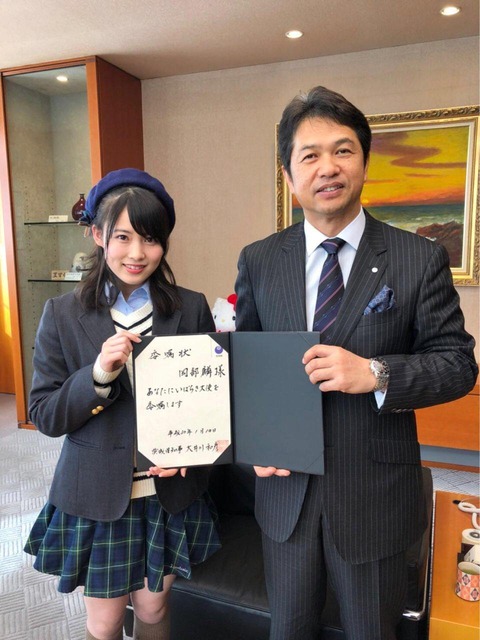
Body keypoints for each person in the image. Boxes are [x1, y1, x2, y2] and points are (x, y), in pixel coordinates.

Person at [234, 86, 478, 640]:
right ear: (289, 175)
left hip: (375, 498)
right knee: (289, 630)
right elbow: (246, 367)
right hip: (286, 498)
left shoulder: (418, 257)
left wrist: (375, 373)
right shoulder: (260, 259)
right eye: (309, 155)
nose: (328, 167)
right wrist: (252, 445)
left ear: (365, 163)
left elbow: (458, 364)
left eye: (343, 150)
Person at [24, 168, 221, 640]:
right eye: (123, 237)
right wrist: (97, 375)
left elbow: (210, 402)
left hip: (168, 494)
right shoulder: (62, 313)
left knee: (154, 610)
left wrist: (192, 453)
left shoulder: (190, 307)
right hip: (95, 493)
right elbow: (45, 413)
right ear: (98, 236)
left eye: (150, 239)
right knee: (106, 621)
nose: (136, 253)